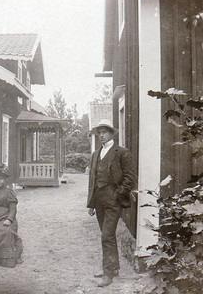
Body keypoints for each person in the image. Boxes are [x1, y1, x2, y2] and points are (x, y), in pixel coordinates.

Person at [87, 119, 136, 287]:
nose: (101, 135)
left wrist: (118, 194)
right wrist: (91, 203)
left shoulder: (122, 152)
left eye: (104, 132)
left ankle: (107, 274)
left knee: (106, 236)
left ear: (111, 133)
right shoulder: (95, 154)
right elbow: (92, 180)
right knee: (108, 235)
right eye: (99, 132)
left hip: (113, 200)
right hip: (99, 200)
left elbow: (130, 178)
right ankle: (113, 267)